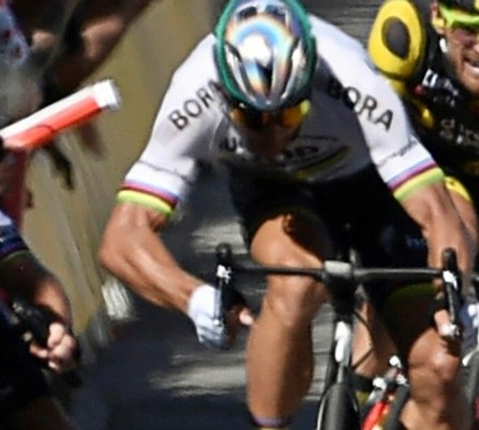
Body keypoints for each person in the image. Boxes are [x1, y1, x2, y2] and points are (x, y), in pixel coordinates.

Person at [97, 0, 477, 428]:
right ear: (224, 93)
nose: (273, 132)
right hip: (277, 191)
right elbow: (121, 239)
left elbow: (436, 212)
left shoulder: (351, 77)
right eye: (250, 118)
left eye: (290, 112)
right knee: (295, 285)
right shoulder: (195, 88)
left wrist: (451, 295)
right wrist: (195, 298)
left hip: (371, 187)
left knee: (439, 371)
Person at [344, 0, 479, 408]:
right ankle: (359, 387)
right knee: (406, 258)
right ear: (439, 16)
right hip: (421, 167)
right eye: (470, 29)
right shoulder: (404, 32)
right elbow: (367, 132)